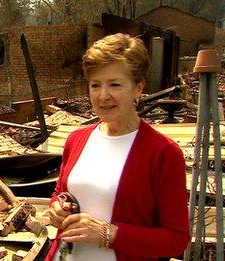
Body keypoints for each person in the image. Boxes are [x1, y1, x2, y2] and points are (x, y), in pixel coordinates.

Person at [46, 33, 189, 261]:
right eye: (95, 85)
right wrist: (57, 210)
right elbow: (59, 194)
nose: (103, 96)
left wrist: (109, 233)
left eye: (114, 84)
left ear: (138, 87)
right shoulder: (76, 140)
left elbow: (177, 240)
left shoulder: (163, 153)